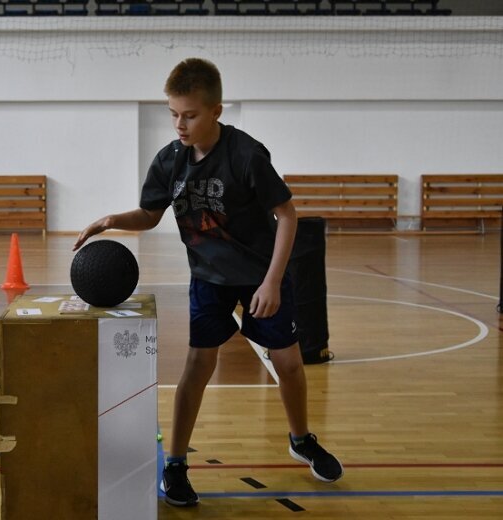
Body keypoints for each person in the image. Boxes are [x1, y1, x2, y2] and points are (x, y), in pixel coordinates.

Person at [73, 58, 343, 507]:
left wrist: (273, 280)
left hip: (260, 276)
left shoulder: (246, 155)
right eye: (174, 113)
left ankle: (301, 439)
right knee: (198, 366)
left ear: (216, 110)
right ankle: (175, 464)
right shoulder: (169, 161)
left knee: (290, 365)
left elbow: (287, 214)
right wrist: (112, 220)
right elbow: (150, 214)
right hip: (208, 278)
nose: (180, 123)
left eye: (190, 115)